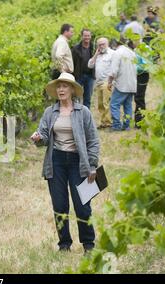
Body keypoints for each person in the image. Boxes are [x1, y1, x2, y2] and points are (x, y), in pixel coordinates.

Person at [30, 72, 100, 254]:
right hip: (57, 161)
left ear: (72, 90)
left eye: (65, 86)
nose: (61, 89)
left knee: (82, 205)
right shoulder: (50, 112)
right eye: (59, 86)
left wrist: (92, 164)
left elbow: (93, 140)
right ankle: (64, 244)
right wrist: (38, 138)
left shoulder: (83, 112)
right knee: (60, 206)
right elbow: (44, 135)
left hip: (79, 161)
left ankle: (88, 244)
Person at [108, 37, 137, 131]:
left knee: (114, 104)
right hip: (132, 84)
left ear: (116, 43)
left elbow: (113, 71)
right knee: (127, 105)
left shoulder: (118, 53)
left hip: (122, 84)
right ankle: (126, 125)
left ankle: (116, 126)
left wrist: (109, 82)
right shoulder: (132, 53)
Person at [88, 37, 115, 128]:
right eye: (99, 44)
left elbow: (115, 68)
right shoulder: (98, 54)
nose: (101, 46)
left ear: (107, 44)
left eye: (103, 44)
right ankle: (103, 122)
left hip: (107, 82)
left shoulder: (112, 54)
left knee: (105, 103)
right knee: (100, 104)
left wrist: (112, 81)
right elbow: (90, 65)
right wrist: (96, 54)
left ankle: (108, 122)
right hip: (98, 82)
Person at [72, 28, 95, 109]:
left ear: (91, 36)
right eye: (85, 36)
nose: (87, 37)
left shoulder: (94, 48)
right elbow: (73, 63)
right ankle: (76, 112)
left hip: (90, 76)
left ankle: (86, 115)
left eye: (88, 36)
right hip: (79, 76)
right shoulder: (75, 48)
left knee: (87, 97)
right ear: (82, 36)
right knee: (75, 96)